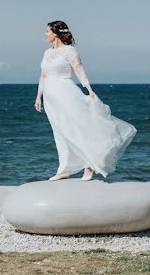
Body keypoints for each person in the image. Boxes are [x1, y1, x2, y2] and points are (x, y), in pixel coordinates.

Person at [35, 20, 137, 181]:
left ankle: (90, 164)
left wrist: (89, 89)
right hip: (50, 97)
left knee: (77, 127)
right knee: (59, 132)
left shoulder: (70, 51)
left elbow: (79, 70)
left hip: (65, 93)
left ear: (56, 33)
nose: (45, 34)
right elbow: (43, 75)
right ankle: (64, 169)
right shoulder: (47, 53)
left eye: (47, 31)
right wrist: (38, 96)